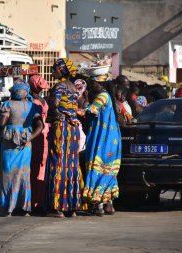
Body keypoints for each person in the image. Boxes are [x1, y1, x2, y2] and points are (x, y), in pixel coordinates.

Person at [0, 79, 43, 217]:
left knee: (8, 174)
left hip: (9, 143)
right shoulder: (33, 106)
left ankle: (7, 208)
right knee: (23, 175)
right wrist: (29, 137)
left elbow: (2, 123)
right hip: (26, 144)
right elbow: (40, 126)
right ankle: (23, 208)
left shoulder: (7, 104)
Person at [46, 58, 84, 218]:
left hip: (61, 127)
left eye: (55, 69)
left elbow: (54, 105)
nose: (53, 71)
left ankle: (57, 207)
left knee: (58, 162)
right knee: (72, 164)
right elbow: (76, 107)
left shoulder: (59, 87)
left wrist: (51, 113)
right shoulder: (74, 88)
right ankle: (72, 207)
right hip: (74, 129)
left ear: (62, 70)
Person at [83, 75, 121, 216]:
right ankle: (108, 204)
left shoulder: (102, 96)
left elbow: (90, 110)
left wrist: (75, 109)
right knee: (108, 169)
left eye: (92, 82)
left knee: (97, 166)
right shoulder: (107, 96)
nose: (90, 85)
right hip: (110, 139)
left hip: (102, 138)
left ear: (98, 83)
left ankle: (98, 204)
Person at [28, 75, 49, 213]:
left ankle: (33, 202)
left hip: (35, 133)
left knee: (33, 169)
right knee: (42, 169)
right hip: (45, 134)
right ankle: (39, 202)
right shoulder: (44, 101)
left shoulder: (31, 101)